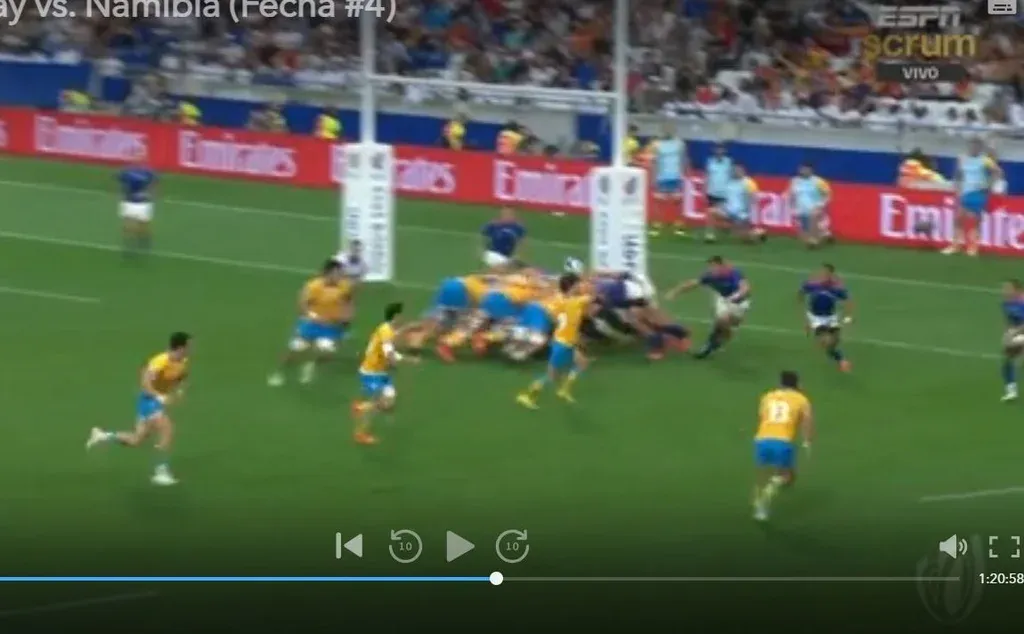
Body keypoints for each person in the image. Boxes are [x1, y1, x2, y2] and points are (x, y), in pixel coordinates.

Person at [86, 331, 191, 486]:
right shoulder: (159, 361)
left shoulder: (182, 361)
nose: (191, 349)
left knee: (136, 440)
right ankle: (160, 471)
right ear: (180, 348)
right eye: (188, 346)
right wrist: (159, 397)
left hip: (156, 401)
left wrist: (180, 390)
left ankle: (103, 436)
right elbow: (145, 383)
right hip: (149, 401)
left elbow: (182, 376)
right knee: (167, 429)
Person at [267, 260, 352, 386]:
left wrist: (347, 316)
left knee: (327, 352)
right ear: (327, 273)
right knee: (296, 349)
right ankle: (278, 372)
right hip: (311, 324)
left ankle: (310, 365)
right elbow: (302, 304)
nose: (340, 276)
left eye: (341, 273)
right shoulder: (314, 286)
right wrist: (313, 316)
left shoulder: (344, 286)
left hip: (330, 326)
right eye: (337, 273)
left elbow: (348, 300)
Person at [516, 273, 592, 408]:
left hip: (565, 341)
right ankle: (528, 397)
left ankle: (564, 390)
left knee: (582, 363)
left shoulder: (558, 300)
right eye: (578, 284)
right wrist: (590, 281)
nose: (580, 287)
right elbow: (591, 297)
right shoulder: (574, 302)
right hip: (563, 345)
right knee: (551, 376)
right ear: (572, 287)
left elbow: (551, 314)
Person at [753, 371, 814, 522]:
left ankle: (760, 501)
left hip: (762, 439)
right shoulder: (802, 399)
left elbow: (762, 416)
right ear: (797, 384)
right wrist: (807, 441)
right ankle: (766, 497)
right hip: (783, 441)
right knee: (788, 476)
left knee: (764, 474)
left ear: (780, 383)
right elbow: (807, 421)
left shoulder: (768, 396)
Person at [352, 302, 416, 445]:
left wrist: (406, 329)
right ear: (396, 316)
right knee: (378, 402)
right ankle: (361, 434)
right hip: (371, 372)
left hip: (382, 372)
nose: (403, 317)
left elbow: (391, 344)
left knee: (389, 403)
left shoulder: (387, 329)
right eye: (401, 315)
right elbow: (389, 353)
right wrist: (403, 361)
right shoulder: (385, 331)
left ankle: (362, 407)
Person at [665, 256, 750, 359]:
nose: (712, 269)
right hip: (722, 299)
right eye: (710, 266)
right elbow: (692, 284)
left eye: (714, 266)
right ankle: (709, 347)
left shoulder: (734, 273)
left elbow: (745, 287)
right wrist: (675, 292)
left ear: (722, 266)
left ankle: (724, 335)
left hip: (740, 303)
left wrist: (737, 296)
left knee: (729, 326)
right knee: (722, 320)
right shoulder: (710, 276)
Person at [944, 138, 1003, 257]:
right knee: (958, 219)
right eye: (972, 146)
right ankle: (956, 245)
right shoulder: (962, 159)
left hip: (978, 192)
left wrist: (989, 185)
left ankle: (973, 247)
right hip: (965, 192)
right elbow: (958, 174)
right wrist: (957, 187)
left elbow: (998, 172)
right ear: (968, 146)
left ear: (980, 148)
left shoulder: (985, 160)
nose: (973, 148)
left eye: (976, 146)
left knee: (975, 221)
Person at [799, 264, 853, 372]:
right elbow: (801, 294)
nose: (823, 275)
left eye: (826, 273)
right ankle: (842, 361)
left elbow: (848, 301)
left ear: (831, 275)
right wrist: (805, 319)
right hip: (816, 318)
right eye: (822, 273)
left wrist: (847, 317)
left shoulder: (836, 289)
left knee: (834, 341)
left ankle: (833, 352)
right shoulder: (812, 285)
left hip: (831, 317)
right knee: (827, 341)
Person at [706, 162, 765, 244]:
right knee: (711, 211)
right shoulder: (730, 182)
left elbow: (754, 198)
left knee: (746, 239)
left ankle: (758, 233)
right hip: (728, 212)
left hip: (741, 214)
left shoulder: (748, 182)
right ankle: (710, 235)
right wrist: (722, 205)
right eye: (734, 170)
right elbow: (725, 198)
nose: (736, 172)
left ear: (743, 171)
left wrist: (747, 207)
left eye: (738, 170)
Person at [648, 122, 687, 237]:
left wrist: (683, 174)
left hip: (675, 176)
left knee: (677, 202)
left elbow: (684, 160)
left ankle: (678, 226)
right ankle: (657, 226)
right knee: (659, 202)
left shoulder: (680, 144)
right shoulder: (656, 144)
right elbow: (654, 163)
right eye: (665, 129)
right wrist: (653, 177)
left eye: (670, 129)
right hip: (661, 177)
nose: (668, 131)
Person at [787, 163, 832, 248]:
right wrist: (791, 204)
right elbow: (791, 193)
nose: (803, 171)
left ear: (811, 170)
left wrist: (820, 205)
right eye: (802, 169)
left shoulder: (818, 181)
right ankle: (825, 234)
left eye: (806, 169)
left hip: (815, 207)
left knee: (813, 221)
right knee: (804, 234)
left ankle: (815, 241)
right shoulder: (795, 181)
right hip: (800, 208)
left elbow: (827, 194)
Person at [117, 162, 157, 256]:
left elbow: (154, 183)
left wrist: (151, 194)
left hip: (143, 203)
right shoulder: (127, 171)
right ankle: (129, 245)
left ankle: (144, 241)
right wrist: (122, 193)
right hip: (129, 201)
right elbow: (121, 182)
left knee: (143, 226)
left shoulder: (147, 172)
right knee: (128, 225)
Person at [1000, 279, 1024, 402]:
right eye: (1004, 288)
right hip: (1018, 334)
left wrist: (1014, 332)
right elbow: (1009, 320)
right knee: (1008, 361)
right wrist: (1007, 333)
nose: (1004, 291)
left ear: (1017, 290)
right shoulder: (1006, 303)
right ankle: (1011, 392)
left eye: (1008, 288)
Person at [702, 142, 732, 239]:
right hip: (712, 192)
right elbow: (707, 177)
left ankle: (725, 226)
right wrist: (704, 190)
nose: (719, 151)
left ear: (724, 151)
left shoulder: (728, 162)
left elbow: (731, 177)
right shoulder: (710, 162)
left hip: (724, 193)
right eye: (717, 149)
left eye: (721, 149)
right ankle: (710, 234)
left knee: (721, 215)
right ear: (714, 150)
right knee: (710, 213)